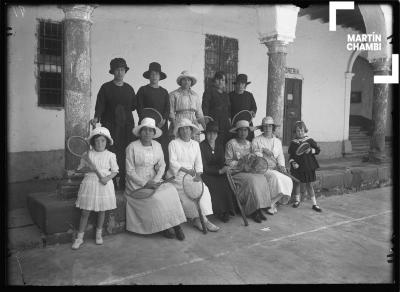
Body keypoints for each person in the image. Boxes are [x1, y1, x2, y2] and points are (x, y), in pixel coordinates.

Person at [124, 118, 186, 240]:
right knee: (157, 198)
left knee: (171, 191)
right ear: (140, 132)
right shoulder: (132, 147)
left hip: (154, 180)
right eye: (145, 130)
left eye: (150, 131)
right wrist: (145, 183)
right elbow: (129, 171)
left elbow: (162, 165)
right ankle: (163, 227)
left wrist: (156, 180)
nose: (148, 133)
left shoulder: (157, 145)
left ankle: (176, 225)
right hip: (137, 184)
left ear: (154, 133)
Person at [90, 58, 136, 190]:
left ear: (125, 71)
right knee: (111, 152)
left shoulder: (129, 89)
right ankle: (111, 182)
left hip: (127, 127)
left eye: (122, 70)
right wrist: (96, 118)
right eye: (117, 70)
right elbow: (100, 106)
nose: (120, 72)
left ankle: (124, 181)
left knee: (126, 152)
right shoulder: (106, 88)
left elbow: (134, 106)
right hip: (110, 126)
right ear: (113, 72)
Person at [167, 118, 220, 232]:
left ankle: (203, 219)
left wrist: (198, 175)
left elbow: (198, 163)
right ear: (179, 131)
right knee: (188, 193)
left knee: (203, 189)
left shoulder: (195, 144)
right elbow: (173, 163)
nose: (185, 131)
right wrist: (187, 171)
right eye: (183, 129)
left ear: (191, 130)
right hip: (177, 176)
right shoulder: (173, 143)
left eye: (188, 128)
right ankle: (198, 220)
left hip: (192, 175)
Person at [72, 127, 118, 250]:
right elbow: (80, 170)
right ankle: (80, 237)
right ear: (92, 142)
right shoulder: (87, 154)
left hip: (104, 184)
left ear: (107, 142)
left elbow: (115, 171)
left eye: (103, 141)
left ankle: (99, 234)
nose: (100, 143)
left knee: (102, 211)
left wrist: (106, 179)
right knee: (85, 211)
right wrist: (89, 168)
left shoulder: (110, 155)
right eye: (97, 141)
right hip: (90, 183)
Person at [225, 120, 272, 223]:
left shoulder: (250, 144)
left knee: (262, 178)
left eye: (245, 130)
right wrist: (241, 163)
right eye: (240, 130)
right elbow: (228, 162)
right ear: (237, 131)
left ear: (248, 131)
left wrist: (253, 159)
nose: (243, 133)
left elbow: (254, 157)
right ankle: (252, 211)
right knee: (252, 181)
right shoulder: (231, 144)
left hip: (249, 171)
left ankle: (259, 209)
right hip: (236, 172)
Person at [252, 116, 293, 215]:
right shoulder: (256, 140)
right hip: (261, 168)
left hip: (274, 168)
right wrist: (262, 150)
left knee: (288, 180)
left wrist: (282, 166)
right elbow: (254, 155)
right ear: (262, 128)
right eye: (265, 126)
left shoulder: (277, 141)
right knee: (274, 178)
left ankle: (272, 202)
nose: (267, 128)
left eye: (269, 126)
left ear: (273, 127)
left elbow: (280, 156)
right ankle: (271, 203)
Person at [136, 62, 171, 169]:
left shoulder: (164, 92)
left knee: (161, 149)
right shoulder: (143, 90)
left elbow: (167, 108)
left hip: (161, 126)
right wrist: (147, 121)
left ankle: (161, 173)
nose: (154, 76)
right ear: (149, 76)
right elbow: (139, 107)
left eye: (156, 74)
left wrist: (164, 119)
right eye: (152, 74)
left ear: (160, 77)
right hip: (147, 125)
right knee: (146, 147)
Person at [199, 121, 235, 223]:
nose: (212, 135)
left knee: (225, 183)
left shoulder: (219, 146)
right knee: (214, 186)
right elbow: (203, 166)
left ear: (217, 135)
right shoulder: (201, 146)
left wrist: (225, 168)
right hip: (207, 173)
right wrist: (219, 171)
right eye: (209, 133)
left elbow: (221, 161)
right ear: (206, 134)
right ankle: (219, 211)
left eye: (214, 133)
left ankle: (227, 210)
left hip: (219, 171)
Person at [288, 120, 322, 212]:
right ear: (295, 132)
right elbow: (291, 156)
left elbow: (318, 150)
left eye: (302, 130)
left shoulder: (310, 141)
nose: (300, 132)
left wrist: (311, 151)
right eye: (298, 131)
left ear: (305, 130)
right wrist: (293, 163)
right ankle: (297, 201)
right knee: (297, 183)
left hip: (308, 166)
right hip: (298, 168)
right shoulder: (293, 143)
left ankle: (314, 204)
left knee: (309, 185)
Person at [169, 70, 206, 138]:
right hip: (179, 120)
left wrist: (205, 128)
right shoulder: (174, 94)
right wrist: (175, 127)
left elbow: (199, 114)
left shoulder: (195, 95)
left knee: (193, 143)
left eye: (189, 80)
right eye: (184, 80)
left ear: (191, 82)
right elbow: (171, 112)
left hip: (192, 121)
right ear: (181, 81)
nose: (186, 82)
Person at [202, 71, 231, 146]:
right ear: (214, 80)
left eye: (223, 80)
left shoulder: (225, 95)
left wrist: (229, 120)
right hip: (214, 122)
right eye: (219, 79)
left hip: (225, 124)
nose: (220, 82)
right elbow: (205, 106)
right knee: (214, 143)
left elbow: (228, 109)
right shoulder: (209, 91)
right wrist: (207, 121)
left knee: (225, 143)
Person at [229, 74, 257, 141]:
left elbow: (254, 107)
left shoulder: (249, 95)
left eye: (242, 84)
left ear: (245, 85)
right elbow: (227, 110)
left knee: (249, 143)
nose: (240, 86)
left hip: (247, 124)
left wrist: (253, 112)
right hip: (235, 126)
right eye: (238, 84)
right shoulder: (230, 95)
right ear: (236, 84)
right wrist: (229, 121)